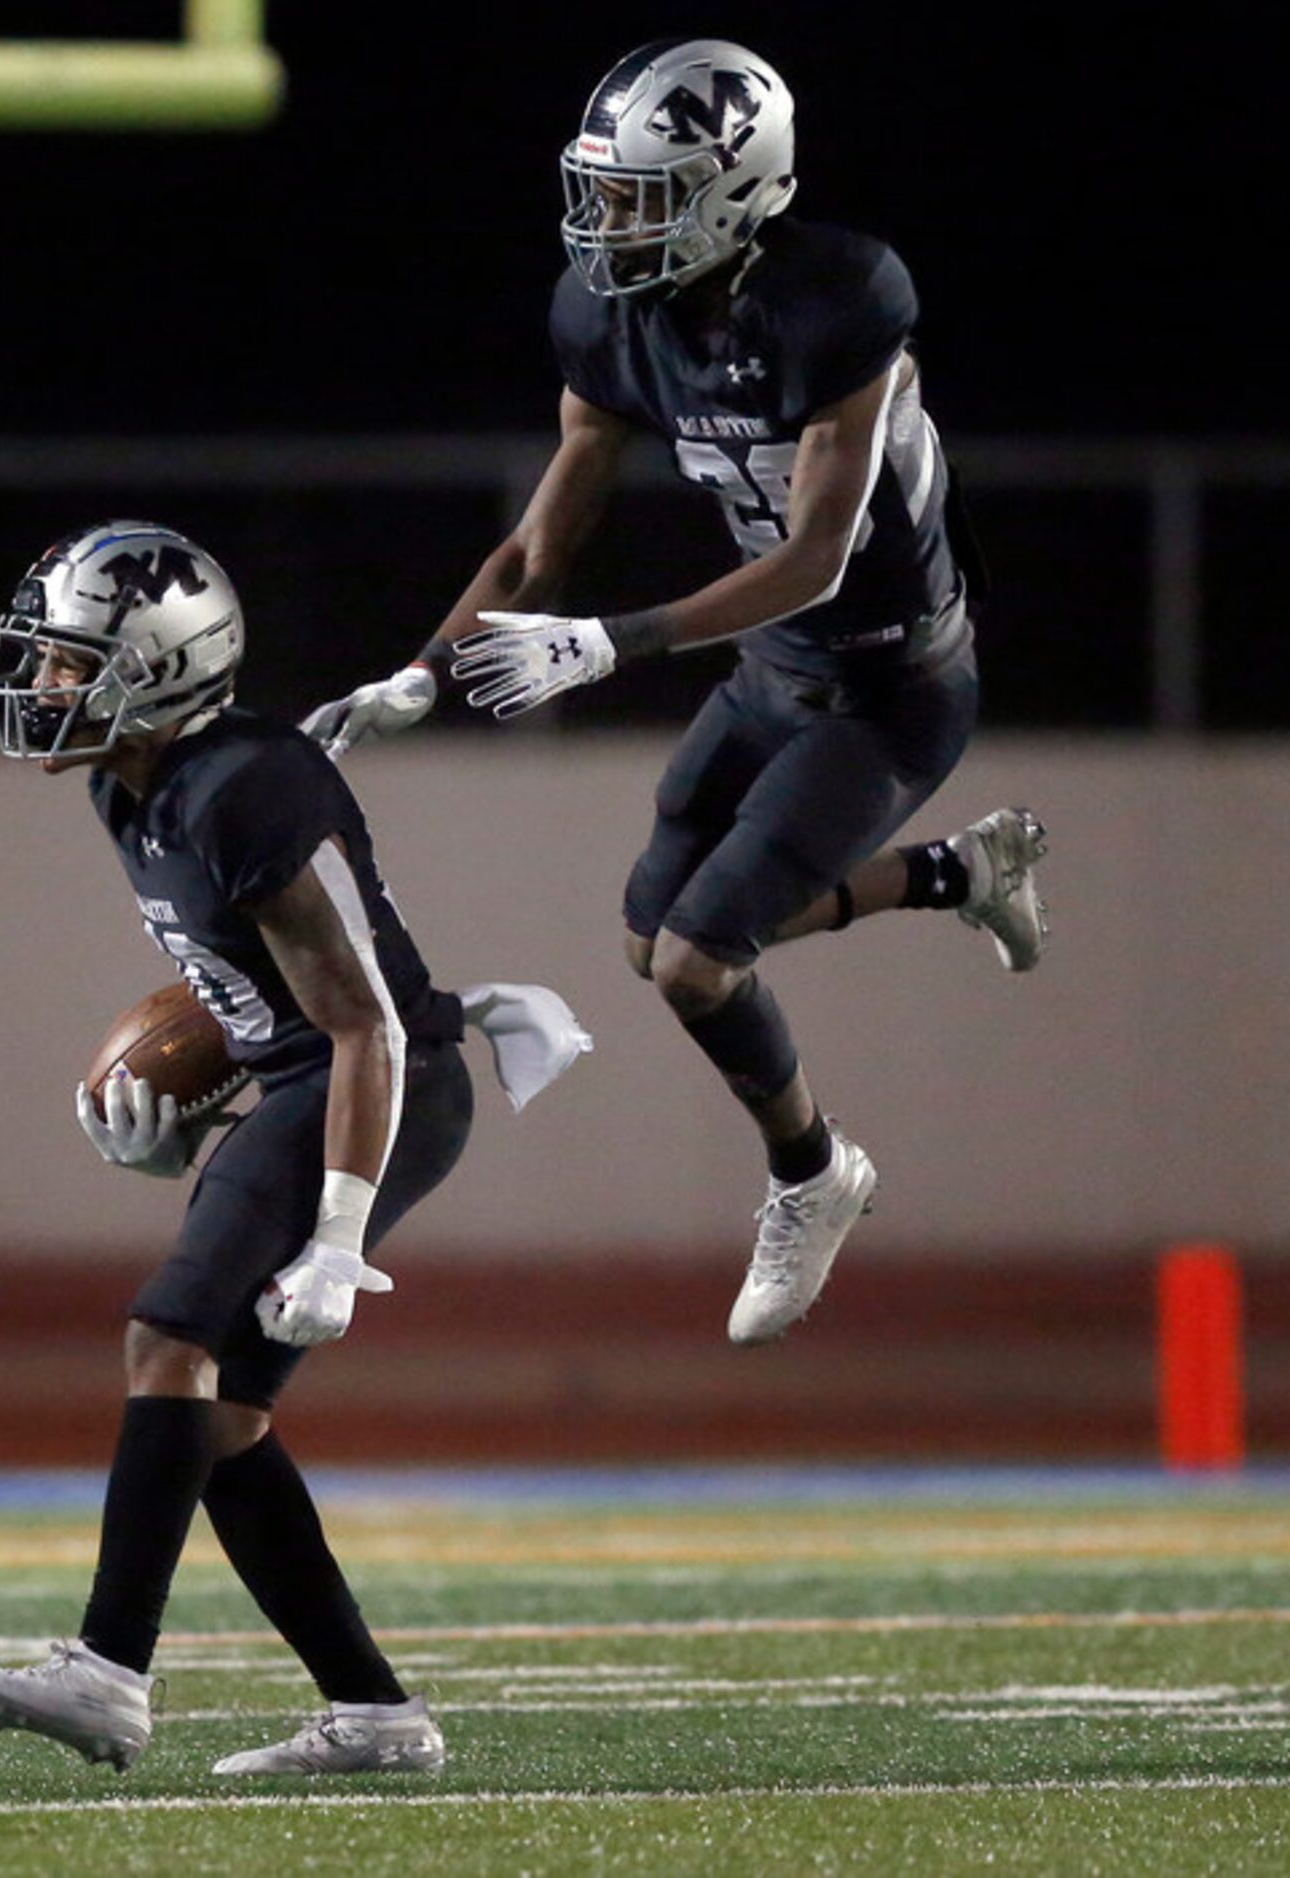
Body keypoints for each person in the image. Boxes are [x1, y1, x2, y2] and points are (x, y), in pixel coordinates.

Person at [301, 40, 1049, 1346]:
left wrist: (611, 641)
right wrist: (417, 671)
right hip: (774, 673)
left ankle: (812, 1172)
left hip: (889, 678)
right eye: (601, 191)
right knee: (651, 938)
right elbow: (540, 538)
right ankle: (954, 875)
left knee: (702, 959)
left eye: (641, 195)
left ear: (733, 189)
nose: (608, 224)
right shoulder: (607, 318)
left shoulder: (836, 298)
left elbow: (816, 557)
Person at [0, 522, 589, 1776]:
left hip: (372, 1084)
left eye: (68, 663)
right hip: (308, 1078)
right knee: (216, 1420)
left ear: (158, 666)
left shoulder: (243, 787)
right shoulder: (130, 784)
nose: (40, 686)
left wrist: (336, 1236)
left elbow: (362, 1021)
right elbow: (256, 996)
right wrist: (171, 1118)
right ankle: (376, 1715)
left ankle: (106, 1671)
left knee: (165, 1342)